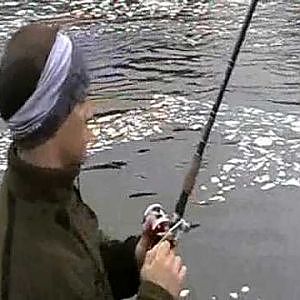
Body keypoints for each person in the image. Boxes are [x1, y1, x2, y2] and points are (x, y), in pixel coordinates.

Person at [0, 24, 186, 299]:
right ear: (55, 117)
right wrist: (157, 293)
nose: (91, 111)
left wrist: (134, 258)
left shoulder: (46, 193)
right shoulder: (37, 269)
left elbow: (86, 272)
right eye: (80, 99)